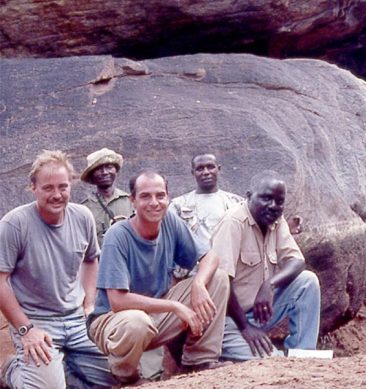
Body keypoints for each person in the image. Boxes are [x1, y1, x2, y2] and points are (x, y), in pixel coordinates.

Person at [87, 168, 230, 384]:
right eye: (145, 196)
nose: (154, 202)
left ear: (168, 197)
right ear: (132, 201)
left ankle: (199, 360)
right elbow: (117, 301)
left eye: (160, 195)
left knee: (217, 278)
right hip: (114, 321)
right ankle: (127, 376)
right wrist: (175, 307)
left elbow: (210, 257)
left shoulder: (169, 222)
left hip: (156, 316)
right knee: (137, 321)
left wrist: (199, 284)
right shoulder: (118, 236)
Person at [0, 150, 117, 388]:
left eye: (63, 187)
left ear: (71, 186)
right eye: (48, 188)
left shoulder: (82, 216)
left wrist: (89, 304)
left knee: (117, 377)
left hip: (76, 319)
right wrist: (25, 329)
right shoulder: (15, 224)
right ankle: (11, 371)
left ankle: (60, 368)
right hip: (36, 321)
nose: (57, 195)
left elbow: (91, 259)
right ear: (33, 188)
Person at [210, 172, 320, 360]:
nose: (273, 206)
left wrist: (269, 284)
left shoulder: (276, 221)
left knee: (307, 281)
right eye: (266, 198)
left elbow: (297, 261)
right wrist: (246, 327)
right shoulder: (233, 223)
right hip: (228, 322)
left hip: (260, 314)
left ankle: (303, 355)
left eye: (279, 201)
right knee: (273, 362)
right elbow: (221, 283)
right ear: (249, 196)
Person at [171, 153, 244, 244]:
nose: (206, 172)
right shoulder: (178, 205)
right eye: (200, 168)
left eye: (210, 167)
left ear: (219, 169)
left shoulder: (237, 203)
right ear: (193, 173)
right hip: (193, 257)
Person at [80, 148, 133, 246]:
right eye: (99, 169)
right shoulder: (85, 209)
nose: (104, 172)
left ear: (116, 171)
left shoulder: (130, 202)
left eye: (109, 167)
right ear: (92, 176)